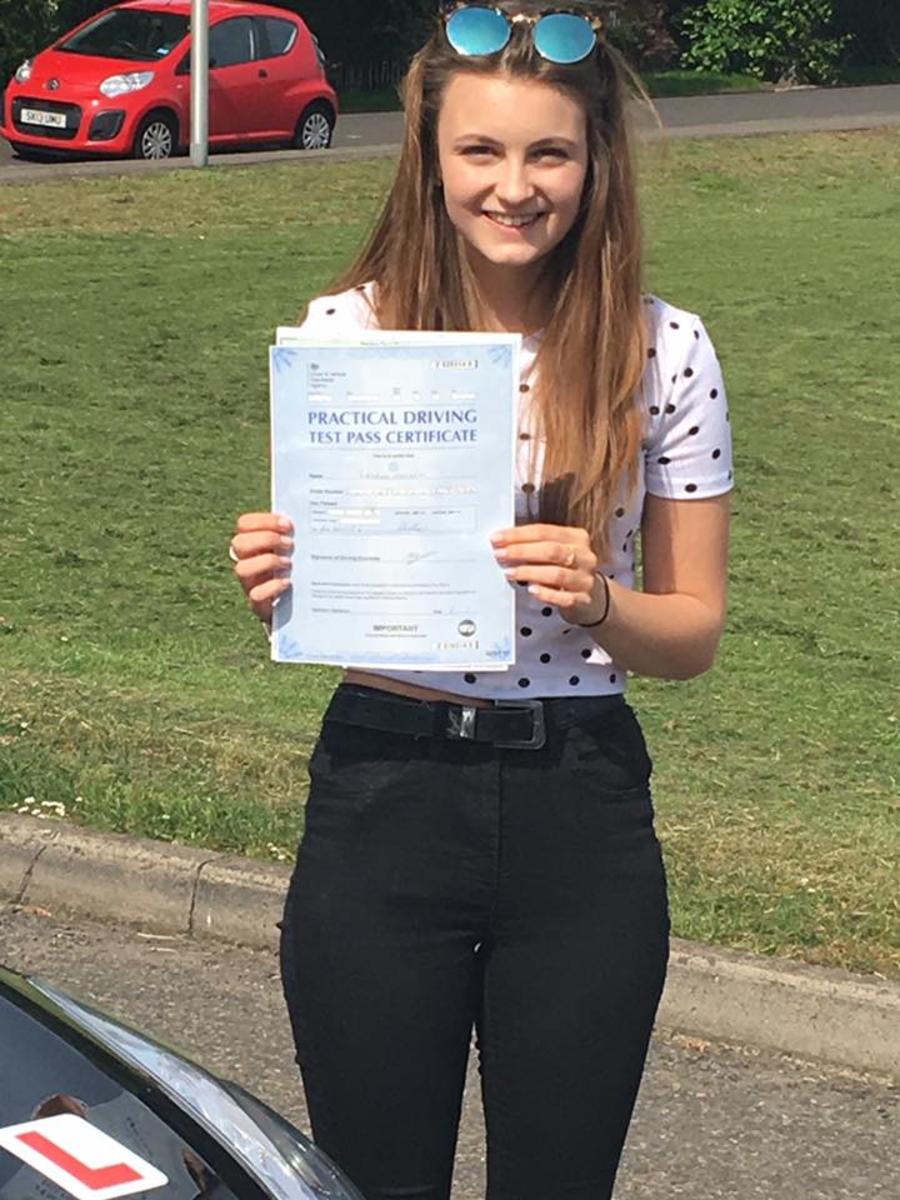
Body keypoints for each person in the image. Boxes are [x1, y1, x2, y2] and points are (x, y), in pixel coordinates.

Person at [230, 3, 733, 1197]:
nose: (515, 186)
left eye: (549, 152)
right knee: (373, 1178)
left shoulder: (665, 350)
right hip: (384, 794)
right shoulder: (347, 337)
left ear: (595, 162)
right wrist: (280, 581)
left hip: (580, 807)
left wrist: (601, 600)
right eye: (481, 151)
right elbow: (327, 586)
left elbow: (693, 633)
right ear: (431, 157)